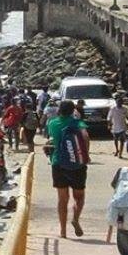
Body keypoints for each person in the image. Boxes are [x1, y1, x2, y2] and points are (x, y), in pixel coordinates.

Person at [47, 100, 90, 238]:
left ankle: (63, 231)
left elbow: (52, 138)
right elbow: (86, 137)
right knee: (79, 197)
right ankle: (75, 219)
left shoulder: (52, 123)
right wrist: (86, 155)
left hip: (58, 163)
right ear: (73, 110)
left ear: (60, 110)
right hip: (77, 165)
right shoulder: (79, 123)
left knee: (62, 199)